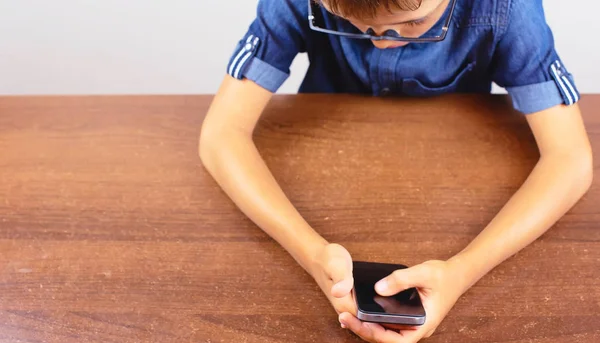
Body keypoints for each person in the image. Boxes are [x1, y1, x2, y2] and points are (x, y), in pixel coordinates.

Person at [199, 0, 594, 341]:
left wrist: (461, 272)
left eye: (415, 23)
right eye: (356, 25)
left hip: (454, 184)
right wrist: (312, 252)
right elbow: (220, 135)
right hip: (328, 176)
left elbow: (571, 160)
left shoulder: (509, 9)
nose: (382, 41)